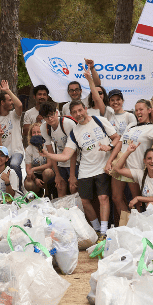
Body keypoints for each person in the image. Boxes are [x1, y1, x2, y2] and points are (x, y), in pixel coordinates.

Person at [42, 99, 120, 233]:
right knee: (84, 201)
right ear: (71, 114)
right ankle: (95, 228)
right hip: (85, 169)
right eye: (74, 112)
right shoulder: (74, 132)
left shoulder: (99, 120)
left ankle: (103, 231)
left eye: (80, 110)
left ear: (85, 109)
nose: (78, 114)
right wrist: (47, 154)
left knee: (103, 197)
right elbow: (66, 155)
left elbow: (117, 138)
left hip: (102, 166)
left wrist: (109, 147)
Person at [37, 101, 76, 197]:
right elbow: (51, 152)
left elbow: (74, 151)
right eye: (47, 117)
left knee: (74, 188)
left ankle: (76, 211)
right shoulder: (44, 127)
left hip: (76, 159)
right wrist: (57, 175)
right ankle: (61, 211)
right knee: (60, 186)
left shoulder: (68, 124)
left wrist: (72, 175)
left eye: (52, 115)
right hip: (61, 159)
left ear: (57, 112)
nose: (50, 119)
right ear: (43, 118)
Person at [0, 80, 25, 171]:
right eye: (9, 100)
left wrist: (8, 90)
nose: (12, 102)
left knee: (14, 164)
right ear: (2, 102)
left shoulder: (14, 115)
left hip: (17, 151)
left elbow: (19, 105)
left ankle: (18, 185)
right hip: (3, 154)